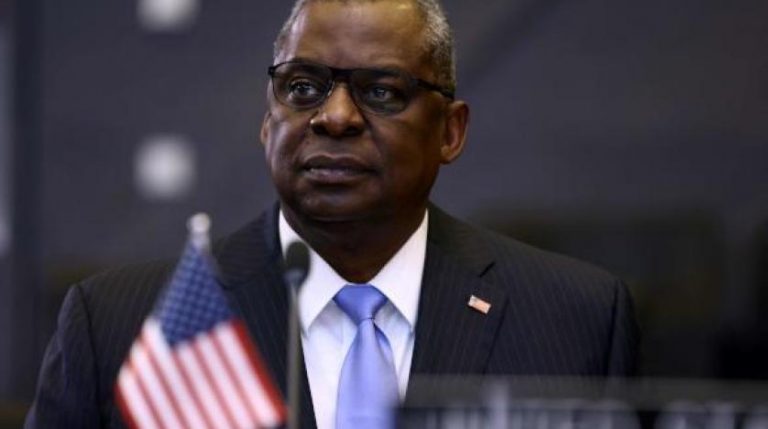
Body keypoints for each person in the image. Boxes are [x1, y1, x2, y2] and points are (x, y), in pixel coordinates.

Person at [26, 0, 639, 428]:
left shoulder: (575, 320)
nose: (335, 117)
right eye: (303, 87)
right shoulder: (122, 327)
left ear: (450, 132)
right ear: (268, 120)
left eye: (381, 91)